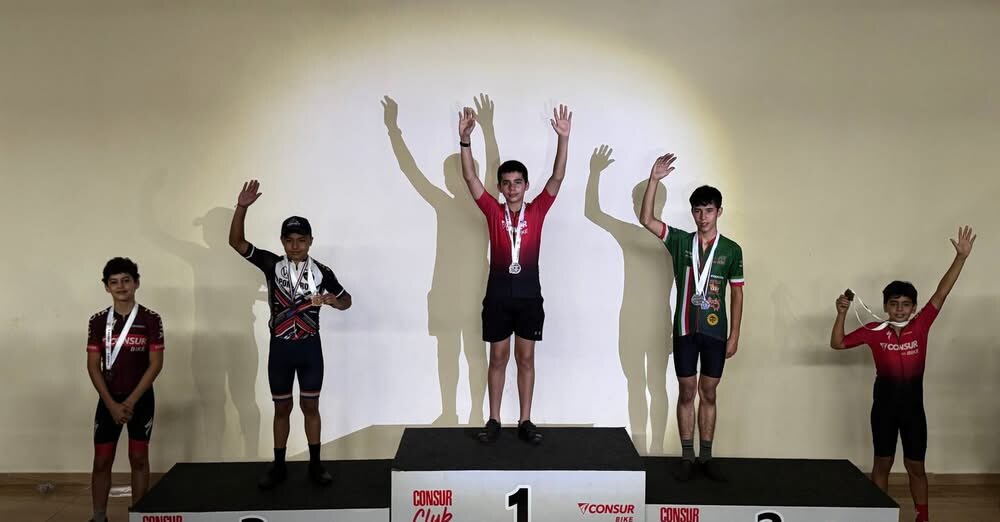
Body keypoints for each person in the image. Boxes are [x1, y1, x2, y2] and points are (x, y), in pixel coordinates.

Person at [831, 226, 977, 522]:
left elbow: (942, 292)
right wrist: (841, 313)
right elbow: (837, 343)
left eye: (906, 305)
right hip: (884, 410)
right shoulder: (874, 330)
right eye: (894, 304)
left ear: (913, 308)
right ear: (886, 306)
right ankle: (879, 516)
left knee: (916, 467)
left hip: (913, 412)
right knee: (882, 465)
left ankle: (922, 517)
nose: (899, 309)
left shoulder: (921, 325)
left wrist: (960, 258)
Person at [458, 103, 572, 444]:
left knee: (525, 358)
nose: (512, 188)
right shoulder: (493, 212)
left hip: (528, 298)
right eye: (506, 183)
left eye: (517, 182)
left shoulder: (537, 211)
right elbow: (470, 178)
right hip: (497, 297)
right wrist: (466, 140)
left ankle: (525, 420)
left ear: (525, 185)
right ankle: (493, 419)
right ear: (499, 187)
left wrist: (564, 139)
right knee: (497, 358)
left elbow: (557, 178)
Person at [229, 180, 352, 489]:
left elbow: (346, 300)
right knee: (281, 408)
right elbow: (237, 243)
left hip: (310, 349)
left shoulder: (322, 271)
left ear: (310, 241)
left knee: (310, 407)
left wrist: (333, 301)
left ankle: (315, 465)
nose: (295, 246)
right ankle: (279, 465)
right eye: (289, 240)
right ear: (282, 241)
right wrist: (241, 207)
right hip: (281, 350)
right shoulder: (272, 264)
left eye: (301, 240)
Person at [639, 154, 744, 481]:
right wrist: (654, 180)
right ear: (692, 212)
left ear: (719, 212)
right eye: (697, 211)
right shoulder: (680, 241)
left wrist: (735, 335)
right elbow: (646, 219)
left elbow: (737, 294)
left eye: (709, 210)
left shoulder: (732, 250)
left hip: (716, 333)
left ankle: (706, 457)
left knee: (709, 393)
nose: (703, 217)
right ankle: (687, 457)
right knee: (687, 392)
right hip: (684, 330)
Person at [87, 257, 164, 522]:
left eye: (126, 280)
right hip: (108, 400)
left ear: (136, 283)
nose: (121, 286)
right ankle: (99, 517)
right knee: (101, 460)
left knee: (139, 457)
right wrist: (111, 404)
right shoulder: (98, 321)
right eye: (114, 282)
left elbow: (155, 365)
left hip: (140, 399)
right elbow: (93, 367)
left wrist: (130, 402)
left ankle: (139, 516)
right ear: (106, 287)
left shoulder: (151, 319)